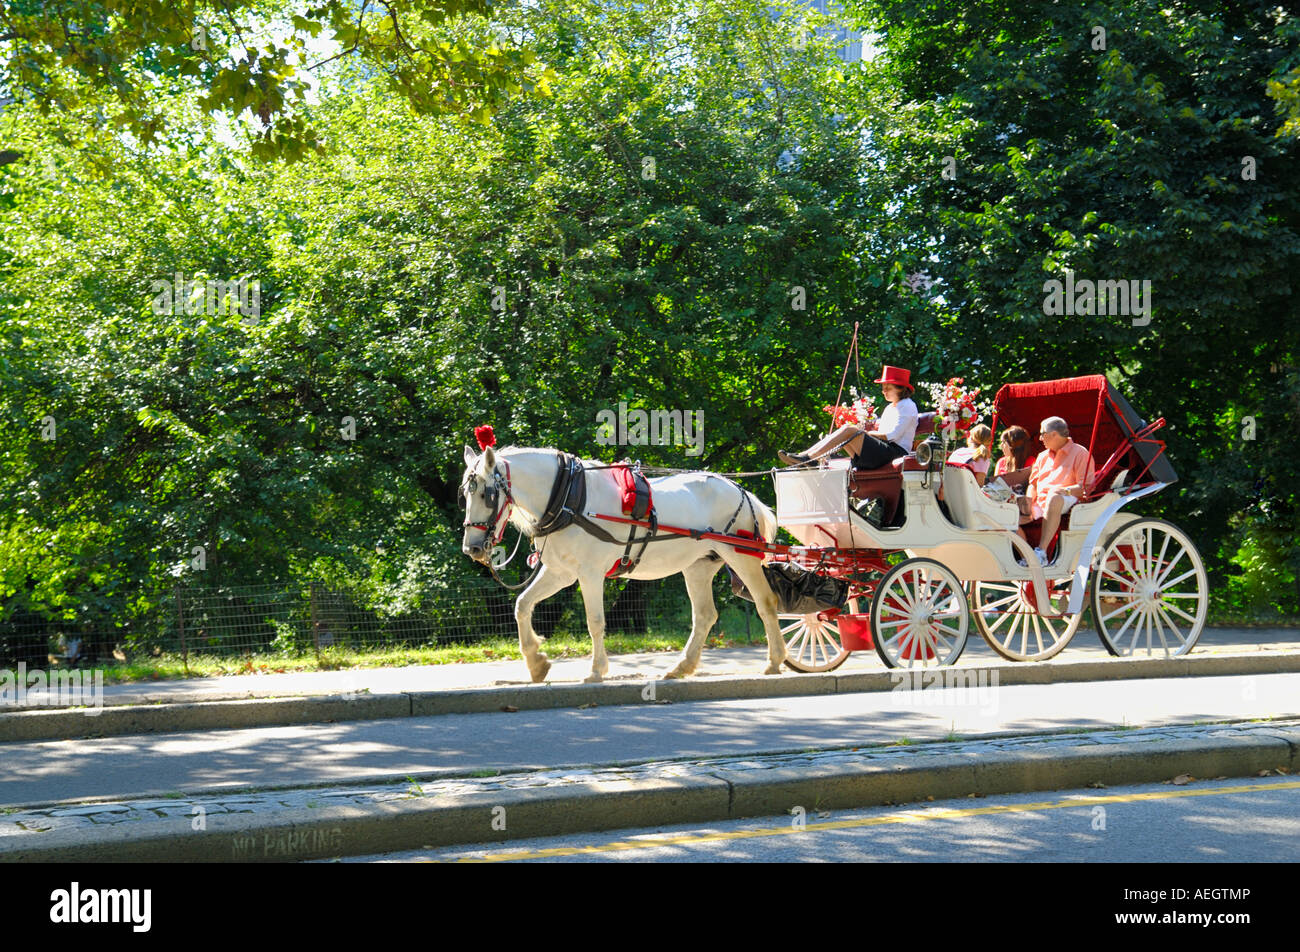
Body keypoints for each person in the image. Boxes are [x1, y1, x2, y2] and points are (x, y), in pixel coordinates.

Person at [780, 366, 919, 469]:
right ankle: (805, 456)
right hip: (883, 451)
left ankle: (810, 458)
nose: (883, 392)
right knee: (847, 430)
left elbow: (891, 435)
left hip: (895, 453)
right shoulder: (890, 407)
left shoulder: (907, 405)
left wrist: (864, 433)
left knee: (850, 430)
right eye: (883, 388)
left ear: (900, 388)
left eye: (887, 388)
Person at [1017, 416, 1096, 565]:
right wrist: (1028, 501)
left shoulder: (1080, 453)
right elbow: (1033, 485)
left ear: (1054, 434)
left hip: (1068, 498)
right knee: (1007, 511)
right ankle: (1026, 556)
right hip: (1042, 501)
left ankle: (1041, 552)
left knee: (1054, 497)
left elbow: (1085, 487)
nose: (1040, 438)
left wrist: (1063, 490)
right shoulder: (1042, 457)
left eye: (1042, 434)